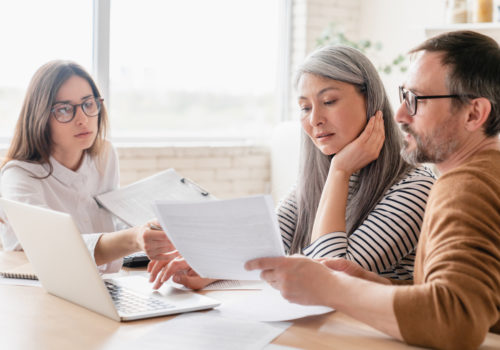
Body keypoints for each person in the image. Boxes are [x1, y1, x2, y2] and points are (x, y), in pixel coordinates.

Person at [246, 30, 500, 350]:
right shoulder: (480, 177)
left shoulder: (465, 187)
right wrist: (380, 285)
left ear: (474, 113)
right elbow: (475, 298)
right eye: (404, 96)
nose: (400, 114)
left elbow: (457, 321)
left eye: (417, 100)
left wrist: (333, 288)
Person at [147, 45, 436, 290]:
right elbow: (266, 243)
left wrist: (339, 172)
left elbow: (331, 279)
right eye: (305, 107)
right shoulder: (315, 178)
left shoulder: (416, 187)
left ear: (370, 99)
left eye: (329, 101)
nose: (315, 119)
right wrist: (210, 267)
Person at [0, 60, 172, 273]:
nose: (82, 119)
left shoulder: (104, 155)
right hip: (45, 293)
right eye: (63, 109)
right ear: (41, 117)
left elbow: (107, 220)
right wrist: (134, 238)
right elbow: (56, 248)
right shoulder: (19, 176)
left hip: (107, 284)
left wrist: (154, 231)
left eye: (88, 104)